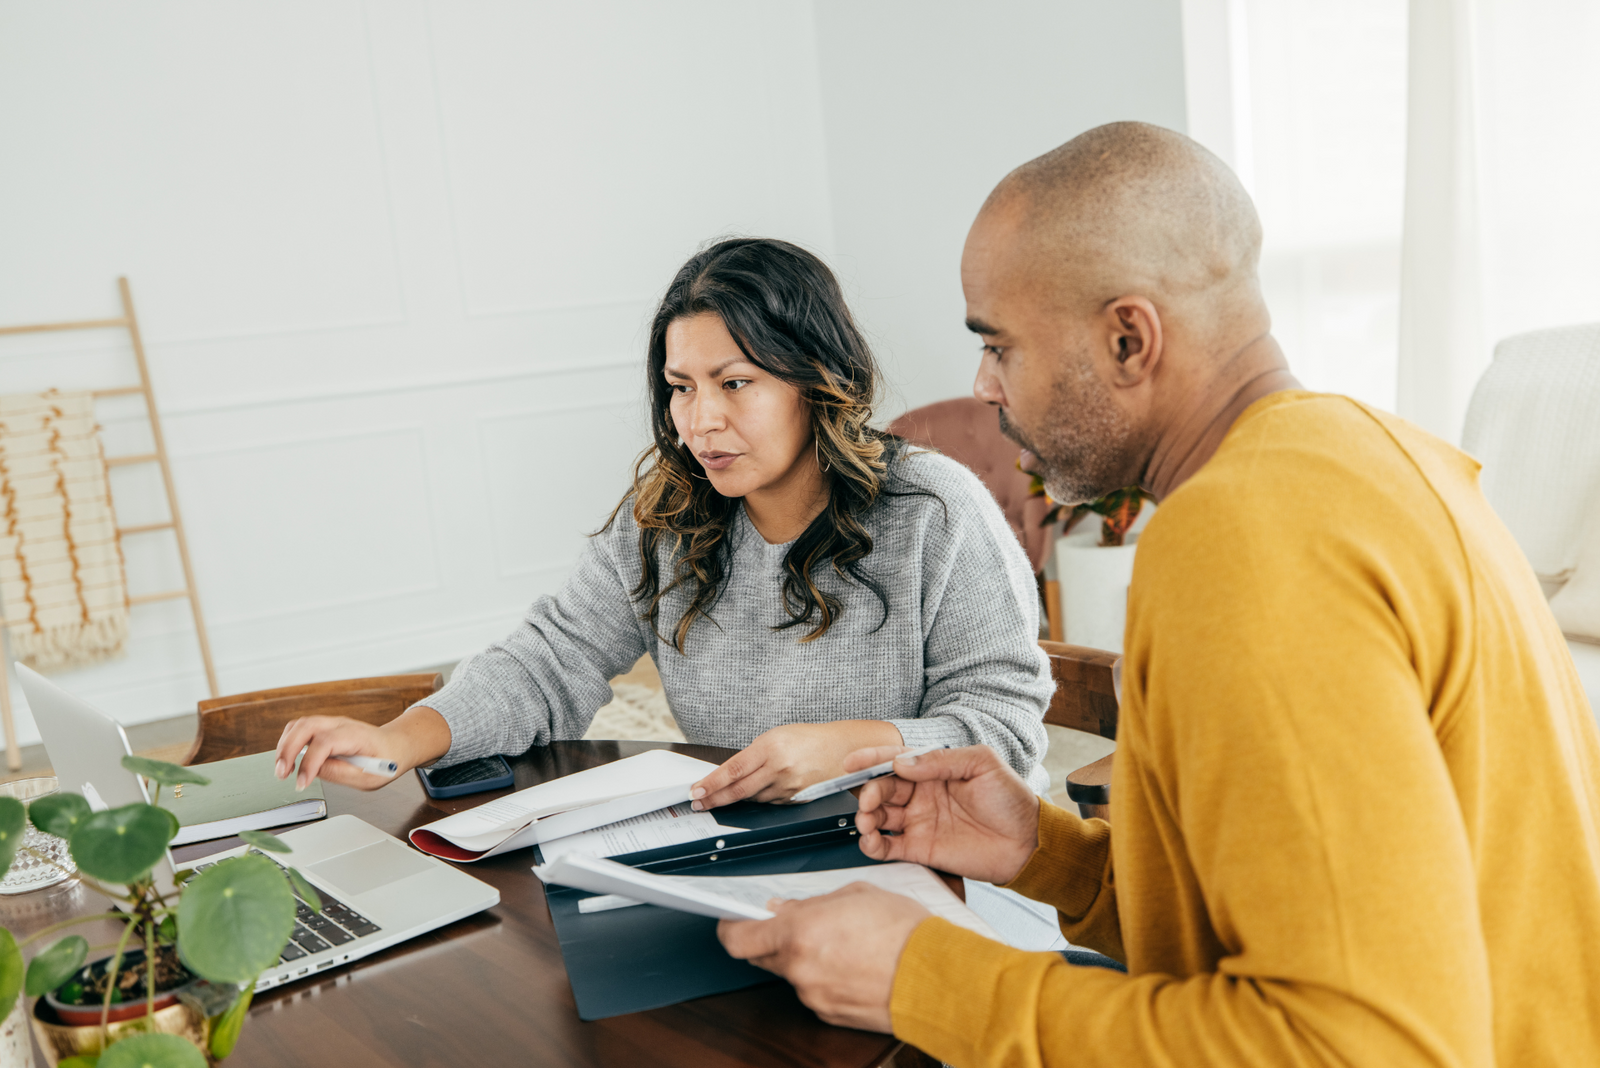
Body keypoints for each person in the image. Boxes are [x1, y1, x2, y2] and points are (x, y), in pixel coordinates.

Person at [717, 123, 1600, 1067]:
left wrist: (923, 979)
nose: (984, 387)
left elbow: (1357, 1046)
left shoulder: (1248, 536)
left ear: (1128, 338)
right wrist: (1045, 853)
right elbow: (1303, 917)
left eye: (1000, 347)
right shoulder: (1374, 452)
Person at [275, 237, 1054, 801]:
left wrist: (855, 745)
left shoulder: (933, 509)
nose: (700, 420)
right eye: (681, 387)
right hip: (750, 846)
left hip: (935, 857)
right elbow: (550, 659)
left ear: (815, 381)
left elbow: (1006, 730)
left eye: (735, 382)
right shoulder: (670, 519)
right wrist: (395, 741)